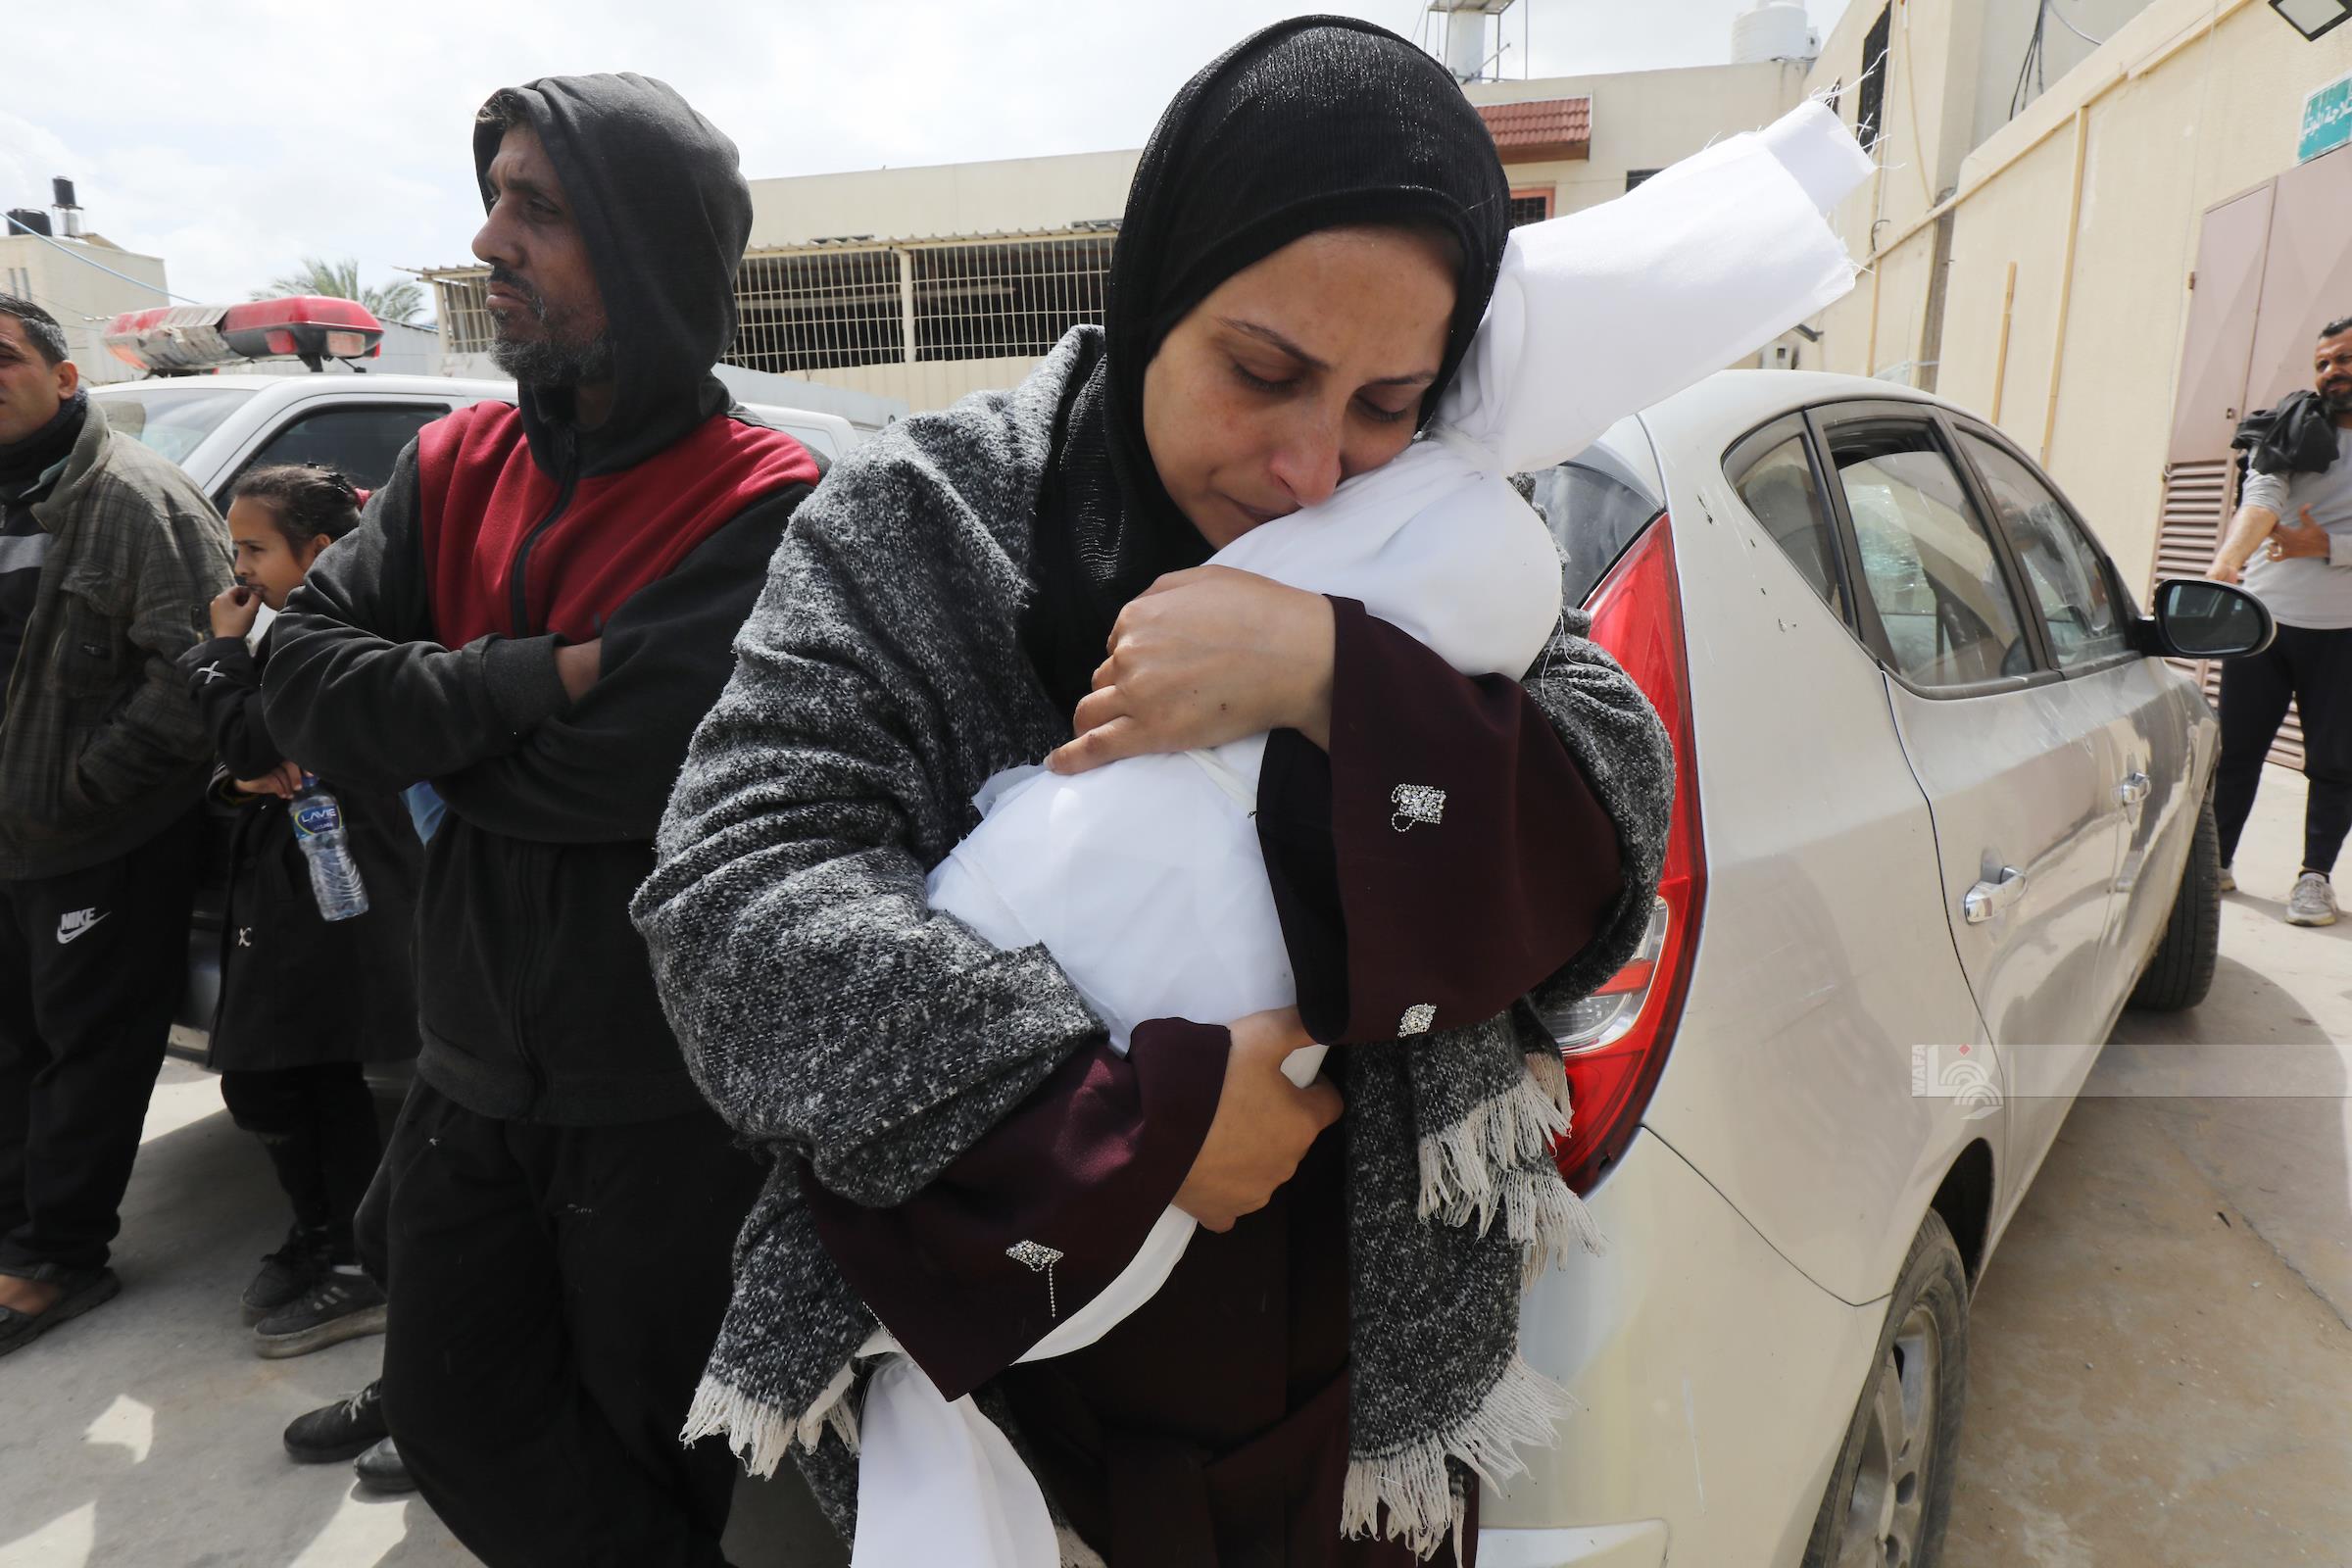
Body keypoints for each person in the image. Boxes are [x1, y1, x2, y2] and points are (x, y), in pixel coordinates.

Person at [632, 21, 1674, 1566]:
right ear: (1154, 291)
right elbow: (734, 910)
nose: (1313, 468)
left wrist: (1333, 675)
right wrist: (1139, 1121)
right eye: (1263, 372)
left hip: (1352, 1435)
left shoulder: (1430, 523)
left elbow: (1614, 812)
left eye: (1387, 400)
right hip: (991, 1415)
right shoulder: (924, 522)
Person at [260, 75, 824, 1565]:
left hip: (664, 1100)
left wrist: (424, 732)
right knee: (450, 1411)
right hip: (464, 1064)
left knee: (653, 1448)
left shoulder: (768, 501)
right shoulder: (454, 466)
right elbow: (300, 685)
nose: (487, 238)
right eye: (495, 194)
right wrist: (528, 679)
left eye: (540, 208)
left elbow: (630, 773)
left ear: (650, 249)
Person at [0, 293, 229, 1357]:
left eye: (1, 359)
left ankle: (57, 1257)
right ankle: (16, 1228)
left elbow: (199, 671)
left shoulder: (136, 499)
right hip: (12, 840)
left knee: (87, 1050)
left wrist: (79, 788)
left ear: (64, 377)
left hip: (98, 836)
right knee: (12, 1044)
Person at [175, 464, 419, 1354]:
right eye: (233, 547)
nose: (238, 568)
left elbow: (248, 738)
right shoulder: (291, 628)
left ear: (318, 551)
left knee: (302, 1068)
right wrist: (239, 775)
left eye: (254, 549)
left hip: (339, 885)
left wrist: (221, 653)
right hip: (289, 880)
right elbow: (244, 763)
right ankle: (325, 1235)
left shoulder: (331, 634)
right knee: (281, 1074)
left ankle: (357, 1263)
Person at [2206, 314, 2352, 927]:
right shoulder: (2292, 425)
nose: (2332, 372)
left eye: (2343, 359)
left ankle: (2315, 879)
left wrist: (2328, 546)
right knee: (2236, 751)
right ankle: (2215, 862)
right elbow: (2262, 498)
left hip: (2343, 632)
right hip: (2262, 623)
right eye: (2323, 363)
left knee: (2335, 762)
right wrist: (2227, 562)